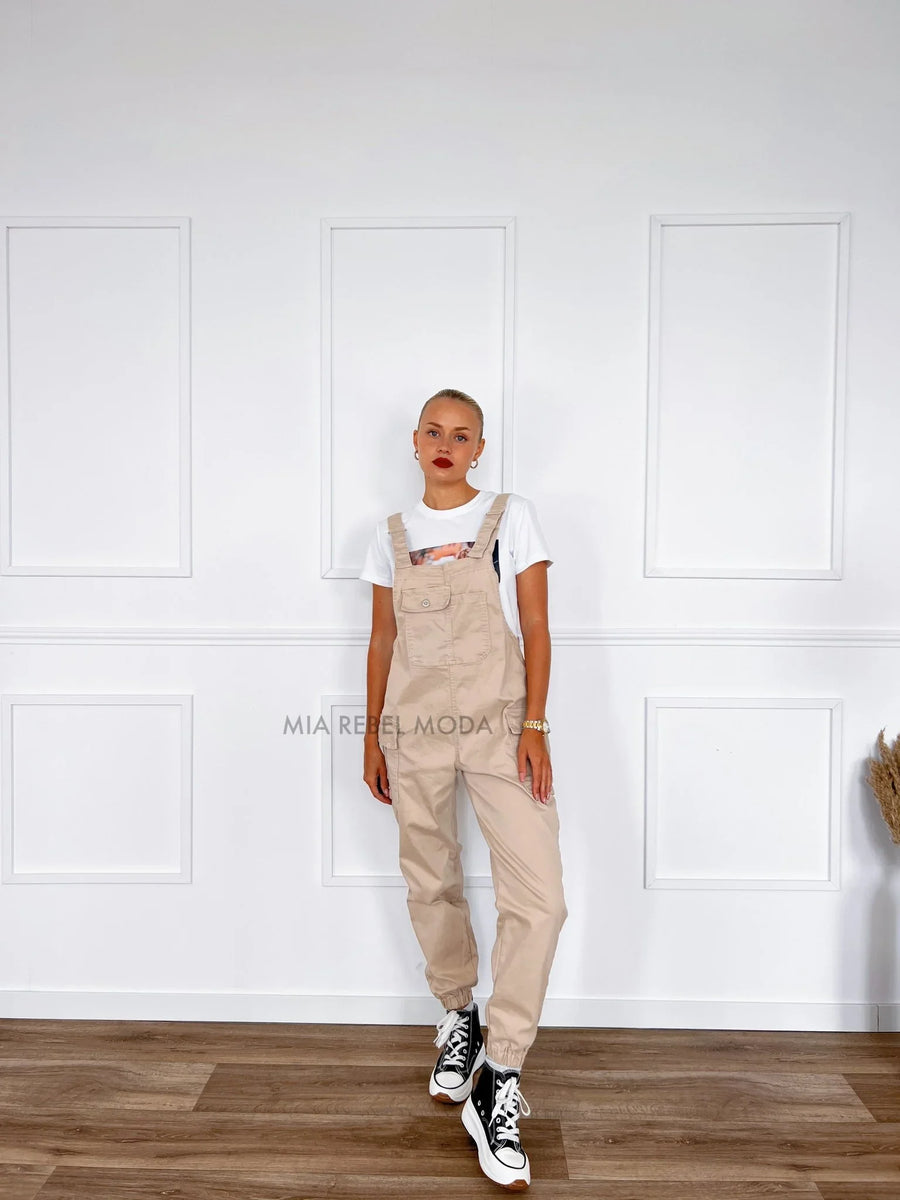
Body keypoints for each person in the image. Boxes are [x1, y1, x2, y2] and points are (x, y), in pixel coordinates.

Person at [361, 388, 567, 1191]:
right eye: (434, 432)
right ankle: (459, 1014)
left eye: (463, 434)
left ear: (480, 448)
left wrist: (535, 725)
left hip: (500, 725)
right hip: (412, 729)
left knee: (540, 900)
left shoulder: (511, 518)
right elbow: (382, 638)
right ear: (415, 443)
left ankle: (500, 1071)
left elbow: (537, 628)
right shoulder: (389, 536)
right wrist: (374, 734)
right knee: (430, 879)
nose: (446, 444)